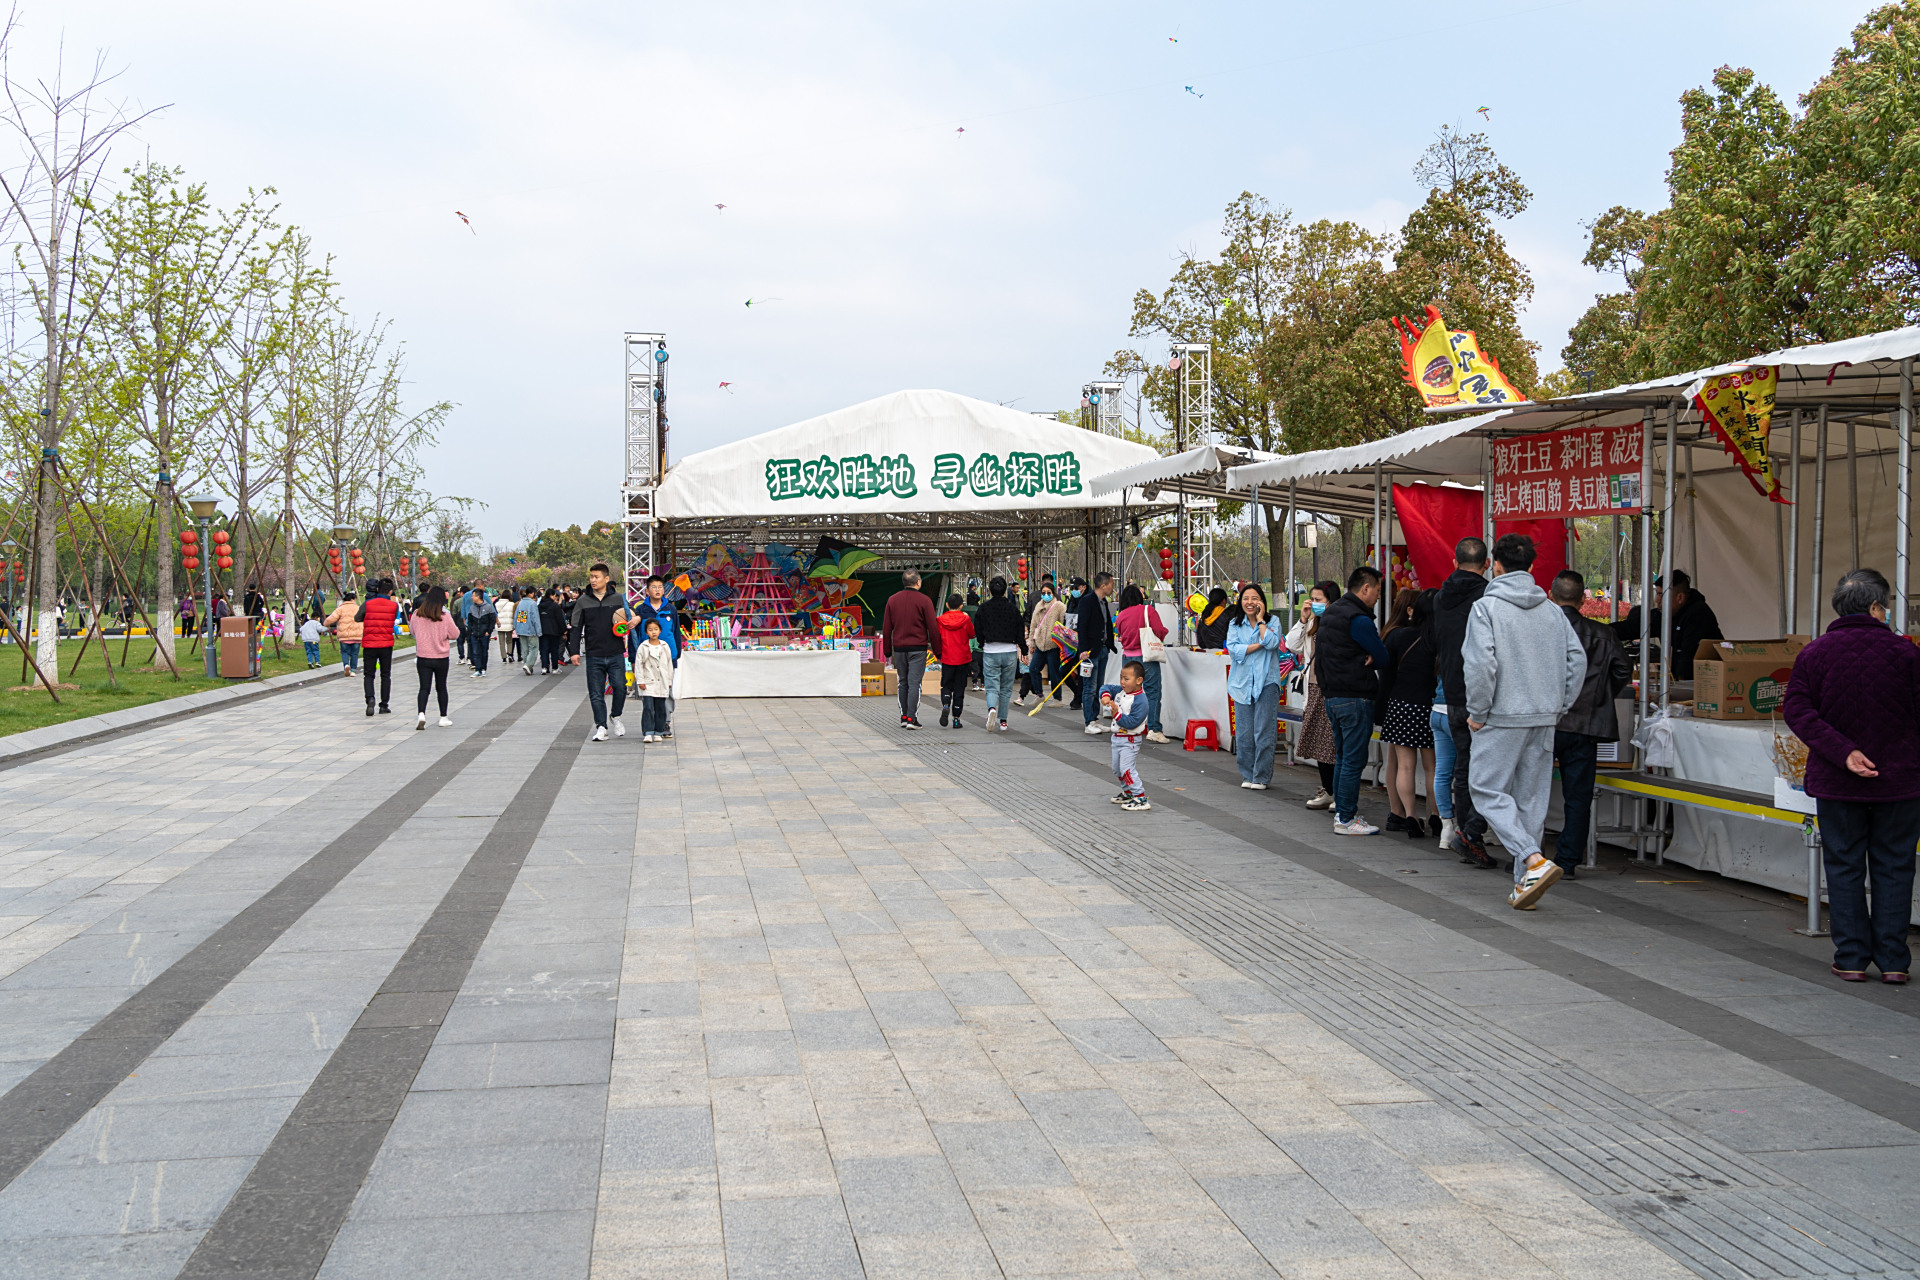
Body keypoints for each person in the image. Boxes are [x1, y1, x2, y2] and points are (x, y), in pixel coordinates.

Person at [1784, 568, 1920, 983]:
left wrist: (1844, 752)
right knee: (1895, 865)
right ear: (1878, 606)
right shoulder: (1907, 653)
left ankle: (1852, 958)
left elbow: (1798, 711)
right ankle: (1894, 961)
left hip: (1837, 779)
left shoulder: (1815, 654)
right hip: (1900, 781)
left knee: (1843, 865)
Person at [1463, 534, 1587, 910]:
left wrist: (1478, 712)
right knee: (1531, 800)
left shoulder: (1485, 609)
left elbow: (1480, 665)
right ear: (1532, 567)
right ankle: (1526, 885)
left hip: (1501, 715)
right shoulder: (1552, 611)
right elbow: (1577, 661)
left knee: (1485, 789)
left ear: (1495, 565)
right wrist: (1559, 705)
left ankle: (1532, 861)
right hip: (1544, 715)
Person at [1550, 570, 1633, 876]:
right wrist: (1600, 694)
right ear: (1584, 598)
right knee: (1578, 796)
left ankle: (1527, 856)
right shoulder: (1602, 634)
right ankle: (1567, 860)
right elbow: (1624, 668)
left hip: (1544, 721)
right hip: (1585, 724)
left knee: (1530, 791)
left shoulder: (1542, 631)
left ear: (1551, 595)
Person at [1433, 538, 1493, 867]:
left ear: (1454, 563)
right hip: (1480, 696)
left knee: (1461, 769)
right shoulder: (1488, 598)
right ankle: (1471, 833)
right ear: (1486, 564)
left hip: (1450, 692)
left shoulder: (1441, 598)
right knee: (1483, 770)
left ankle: (1468, 835)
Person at [1317, 566, 1389, 835]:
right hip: (1355, 697)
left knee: (1343, 756)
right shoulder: (1359, 619)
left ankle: (1341, 807)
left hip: (1332, 696)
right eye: (1378, 591)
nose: (1379, 597)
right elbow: (1381, 656)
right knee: (1353, 759)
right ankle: (1346, 818)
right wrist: (1369, 658)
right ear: (1365, 588)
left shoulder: (1331, 613)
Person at [1380, 588, 1438, 840]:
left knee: (1404, 766)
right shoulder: (1438, 640)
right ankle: (1436, 815)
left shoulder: (1397, 636)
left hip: (1401, 705)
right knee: (1432, 768)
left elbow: (1386, 671)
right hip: (1429, 706)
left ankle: (1411, 816)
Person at [1226, 583, 1294, 791]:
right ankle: (1247, 774)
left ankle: (1262, 777)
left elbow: (1273, 643)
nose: (1250, 602)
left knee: (1264, 731)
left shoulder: (1273, 621)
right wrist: (1257, 645)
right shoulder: (1235, 623)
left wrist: (1262, 622)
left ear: (1262, 602)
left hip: (1268, 682)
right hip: (1242, 684)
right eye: (1246, 598)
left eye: (1255, 598)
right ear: (1240, 601)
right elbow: (1233, 649)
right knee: (1245, 733)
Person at [1288, 580, 1343, 810]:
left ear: (1332, 600)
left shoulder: (1342, 622)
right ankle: (1327, 789)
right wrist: (1303, 618)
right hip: (1314, 688)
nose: (1314, 603)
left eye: (1319, 599)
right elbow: (1291, 644)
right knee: (1318, 741)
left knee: (1333, 742)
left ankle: (1339, 792)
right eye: (1312, 599)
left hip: (1334, 689)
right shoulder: (1312, 622)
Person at [569, 563, 632, 740]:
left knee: (620, 687)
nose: (593, 580)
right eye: (591, 577)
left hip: (616, 652)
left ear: (606, 579)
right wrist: (574, 651)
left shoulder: (619, 599)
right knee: (596, 692)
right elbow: (575, 627)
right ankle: (601, 727)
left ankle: (615, 715)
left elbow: (630, 619)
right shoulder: (583, 601)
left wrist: (632, 621)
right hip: (594, 654)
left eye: (597, 577)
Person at [881, 570, 938, 729]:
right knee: (915, 683)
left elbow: (886, 629)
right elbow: (932, 628)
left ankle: (904, 717)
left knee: (903, 683)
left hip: (898, 648)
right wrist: (938, 651)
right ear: (918, 582)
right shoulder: (925, 601)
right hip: (918, 648)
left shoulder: (892, 600)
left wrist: (887, 652)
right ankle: (912, 718)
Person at [1116, 584, 1172, 743]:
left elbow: (1120, 634)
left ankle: (1128, 726)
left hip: (1127, 658)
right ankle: (1154, 729)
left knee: (1129, 694)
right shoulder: (1148, 610)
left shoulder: (1121, 615)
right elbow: (1160, 631)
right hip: (1146, 658)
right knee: (1153, 693)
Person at [972, 575, 1025, 731]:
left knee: (992, 685)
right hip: (1009, 651)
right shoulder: (1013, 609)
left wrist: (982, 643)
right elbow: (1020, 630)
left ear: (989, 590)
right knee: (1006, 688)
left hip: (990, 651)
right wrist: (1024, 649)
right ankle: (1003, 721)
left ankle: (991, 709)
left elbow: (978, 629)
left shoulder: (983, 608)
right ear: (1004, 591)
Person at [1099, 660, 1153, 811]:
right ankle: (1128, 792)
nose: (1122, 682)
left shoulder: (1141, 700)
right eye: (1121, 677)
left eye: (1126, 679)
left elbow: (1132, 723)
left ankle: (1140, 796)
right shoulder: (1121, 692)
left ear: (1139, 680)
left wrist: (1116, 714)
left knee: (1126, 769)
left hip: (1130, 740)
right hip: (1117, 738)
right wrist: (1105, 696)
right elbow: (1106, 687)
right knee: (1117, 769)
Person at [409, 586, 460, 729]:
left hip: (423, 656)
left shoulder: (417, 614)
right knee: (441, 687)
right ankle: (443, 717)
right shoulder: (445, 616)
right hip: (441, 657)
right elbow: (455, 634)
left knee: (424, 688)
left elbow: (412, 631)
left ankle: (421, 714)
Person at [1074, 572, 1117, 733]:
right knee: (1089, 686)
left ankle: (1094, 718)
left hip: (1103, 648)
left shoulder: (1103, 602)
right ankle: (1088, 722)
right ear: (1103, 585)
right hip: (1090, 651)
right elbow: (1082, 626)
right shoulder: (1087, 601)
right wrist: (1083, 649)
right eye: (1111, 584)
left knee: (1099, 686)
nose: (1113, 587)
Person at [1664, 569, 1724, 681]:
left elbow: (1688, 652)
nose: (1657, 600)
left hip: (1703, 680)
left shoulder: (1698, 613)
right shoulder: (1671, 613)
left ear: (1680, 597)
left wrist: (1680, 681)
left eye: (1660, 594)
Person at [355, 578, 400, 716]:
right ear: (391, 591)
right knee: (385, 675)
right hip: (386, 644)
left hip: (369, 643)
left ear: (376, 589)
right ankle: (384, 704)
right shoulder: (394, 606)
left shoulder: (367, 604)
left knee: (369, 674)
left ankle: (370, 698)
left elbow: (357, 618)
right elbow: (393, 618)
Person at [1021, 581, 1068, 708]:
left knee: (1054, 673)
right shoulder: (1038, 606)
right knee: (1033, 668)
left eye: (1048, 593)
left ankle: (1057, 698)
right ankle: (1039, 695)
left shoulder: (1059, 606)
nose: (1046, 595)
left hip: (1053, 645)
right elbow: (1033, 625)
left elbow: (1063, 624)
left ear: (1053, 593)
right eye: (1043, 593)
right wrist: (1031, 642)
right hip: (1040, 644)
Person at [935, 591, 976, 729]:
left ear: (947, 605)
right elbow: (972, 634)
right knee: (960, 689)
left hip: (947, 658)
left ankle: (946, 703)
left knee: (946, 685)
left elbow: (937, 638)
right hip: (963, 659)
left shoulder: (940, 620)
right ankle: (956, 719)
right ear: (961, 606)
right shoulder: (966, 619)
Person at [633, 616, 676, 742]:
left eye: (656, 629)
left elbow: (669, 664)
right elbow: (639, 664)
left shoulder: (664, 646)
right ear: (646, 632)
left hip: (662, 681)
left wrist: (669, 681)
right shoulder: (643, 647)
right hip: (648, 681)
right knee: (648, 707)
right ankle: (647, 731)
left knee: (660, 708)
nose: (653, 632)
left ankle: (659, 731)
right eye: (650, 630)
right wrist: (640, 680)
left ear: (660, 631)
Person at [327, 589, 362, 674]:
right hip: (357, 636)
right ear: (352, 599)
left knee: (345, 652)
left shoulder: (340, 609)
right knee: (354, 654)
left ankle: (346, 665)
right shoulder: (358, 608)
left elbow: (331, 618)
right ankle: (353, 670)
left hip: (344, 636)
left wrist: (325, 623)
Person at [467, 588, 496, 677]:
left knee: (484, 651)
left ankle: (483, 669)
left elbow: (492, 620)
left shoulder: (488, 607)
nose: (472, 598)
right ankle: (477, 669)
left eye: (473, 596)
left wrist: (489, 631)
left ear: (478, 596)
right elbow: (470, 621)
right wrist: (471, 631)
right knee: (475, 652)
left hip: (484, 634)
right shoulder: (472, 608)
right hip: (474, 634)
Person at [513, 586, 543, 673]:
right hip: (531, 630)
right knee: (533, 648)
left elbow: (516, 617)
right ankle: (528, 665)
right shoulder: (532, 604)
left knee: (525, 650)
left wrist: (516, 628)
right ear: (531, 593)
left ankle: (527, 666)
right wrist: (539, 631)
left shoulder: (520, 603)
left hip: (521, 629)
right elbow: (535, 619)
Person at [539, 587, 568, 675]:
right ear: (551, 596)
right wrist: (564, 630)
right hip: (554, 631)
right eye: (555, 596)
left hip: (542, 631)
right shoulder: (555, 606)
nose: (555, 598)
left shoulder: (539, 606)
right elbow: (560, 619)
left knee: (544, 649)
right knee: (554, 649)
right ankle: (555, 668)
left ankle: (544, 667)